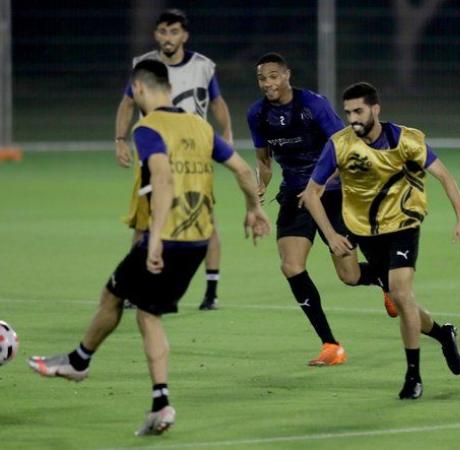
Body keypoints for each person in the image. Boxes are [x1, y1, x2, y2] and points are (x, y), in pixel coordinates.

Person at [28, 60, 270, 435]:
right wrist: (254, 209)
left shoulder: (148, 128)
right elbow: (241, 170)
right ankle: (160, 403)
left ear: (139, 90)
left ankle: (79, 362)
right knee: (146, 312)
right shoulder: (199, 126)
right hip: (198, 241)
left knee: (112, 295)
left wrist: (152, 240)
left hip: (168, 239)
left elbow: (162, 179)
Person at [301, 82, 460, 399]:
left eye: (359, 110)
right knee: (349, 276)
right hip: (363, 230)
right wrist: (331, 234)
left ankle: (413, 377)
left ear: (376, 109)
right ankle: (443, 334)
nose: (352, 117)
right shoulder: (339, 144)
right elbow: (311, 194)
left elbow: (445, 176)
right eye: (348, 111)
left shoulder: (406, 139)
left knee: (400, 292)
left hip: (403, 225)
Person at [248, 54, 397, 367]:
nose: (268, 83)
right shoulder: (257, 114)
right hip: (293, 195)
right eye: (263, 78)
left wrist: (319, 183)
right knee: (290, 265)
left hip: (331, 193)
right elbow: (264, 159)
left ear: (287, 75)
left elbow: (344, 146)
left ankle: (385, 279)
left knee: (349, 275)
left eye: (274, 76)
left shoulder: (313, 105)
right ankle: (331, 345)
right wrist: (260, 185)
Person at [115, 9, 233, 311]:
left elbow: (218, 103)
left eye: (175, 32)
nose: (169, 38)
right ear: (156, 34)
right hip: (154, 153)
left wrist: (227, 135)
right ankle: (133, 288)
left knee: (206, 219)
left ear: (185, 35)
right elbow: (127, 102)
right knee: (143, 223)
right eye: (164, 32)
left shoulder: (203, 66)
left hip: (193, 153)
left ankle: (212, 292)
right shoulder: (144, 67)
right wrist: (120, 140)